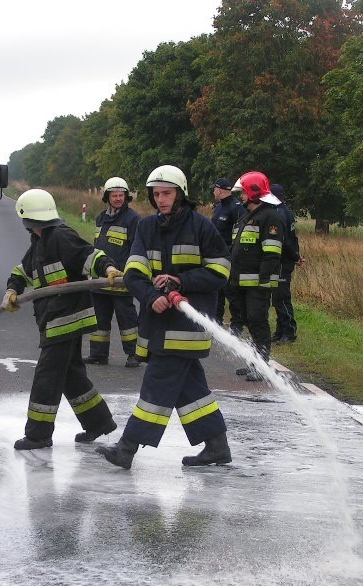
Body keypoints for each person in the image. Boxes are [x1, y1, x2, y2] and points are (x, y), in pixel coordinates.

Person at [96, 165, 232, 469]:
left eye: (167, 193)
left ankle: (127, 448)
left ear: (180, 193)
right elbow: (134, 273)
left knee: (157, 387)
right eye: (156, 194)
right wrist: (151, 297)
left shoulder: (201, 227)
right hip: (159, 323)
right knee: (191, 390)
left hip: (187, 325)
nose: (161, 199)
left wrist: (181, 281)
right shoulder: (146, 228)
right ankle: (217, 446)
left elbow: (221, 270)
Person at [2, 188, 124, 450]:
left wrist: (109, 268)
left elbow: (89, 255)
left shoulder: (60, 236)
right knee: (71, 374)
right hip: (56, 319)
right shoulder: (40, 242)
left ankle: (38, 434)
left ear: (27, 220)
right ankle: (99, 422)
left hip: (64, 320)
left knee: (47, 377)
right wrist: (13, 288)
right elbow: (23, 271)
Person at [230, 171, 284, 382]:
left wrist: (263, 279)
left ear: (253, 192)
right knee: (249, 322)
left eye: (242, 192)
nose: (240, 197)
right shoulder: (248, 216)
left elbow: (272, 252)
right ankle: (254, 362)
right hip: (242, 282)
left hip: (257, 284)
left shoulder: (270, 217)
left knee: (257, 321)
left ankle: (261, 366)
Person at [83, 177, 142, 368]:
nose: (118, 199)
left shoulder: (133, 219)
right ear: (107, 197)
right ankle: (98, 355)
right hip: (100, 281)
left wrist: (128, 273)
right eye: (114, 195)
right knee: (99, 320)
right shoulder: (101, 218)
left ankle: (134, 354)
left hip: (121, 280)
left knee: (128, 321)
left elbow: (136, 248)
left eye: (121, 195)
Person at [209, 177, 245, 335]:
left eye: (214, 189)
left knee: (232, 292)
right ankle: (215, 321)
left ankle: (237, 325)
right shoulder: (218, 208)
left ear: (220, 190)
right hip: (216, 256)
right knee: (217, 290)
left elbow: (240, 234)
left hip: (231, 257)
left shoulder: (236, 208)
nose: (213, 192)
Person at [270, 183, 303, 344]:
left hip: (283, 261)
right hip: (284, 259)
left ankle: (289, 331)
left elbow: (286, 241)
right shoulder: (285, 211)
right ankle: (280, 330)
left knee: (281, 297)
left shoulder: (280, 214)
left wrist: (295, 257)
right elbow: (293, 238)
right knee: (277, 297)